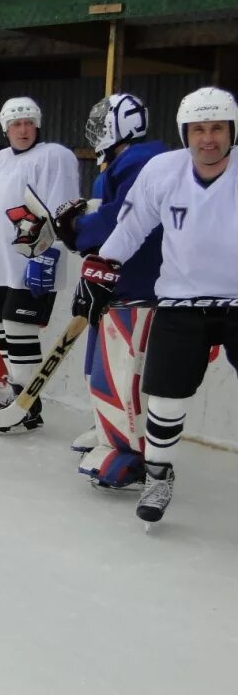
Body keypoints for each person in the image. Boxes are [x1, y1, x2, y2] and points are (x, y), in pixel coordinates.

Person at [75, 86, 238, 524]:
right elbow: (130, 228)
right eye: (199, 129)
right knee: (165, 399)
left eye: (217, 128)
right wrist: (102, 265)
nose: (208, 138)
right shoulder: (162, 171)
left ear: (232, 130)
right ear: (185, 133)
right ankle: (159, 475)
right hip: (181, 301)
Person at [48, 94, 167, 489]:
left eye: (103, 122)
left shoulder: (140, 162)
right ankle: (107, 433)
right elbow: (107, 211)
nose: (96, 130)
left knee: (118, 370)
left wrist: (79, 229)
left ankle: (127, 456)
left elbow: (121, 219)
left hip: (135, 282)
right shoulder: (120, 162)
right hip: (111, 280)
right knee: (98, 367)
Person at [0, 96, 80, 433]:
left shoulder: (55, 156)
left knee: (19, 329)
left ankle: (24, 406)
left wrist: (48, 254)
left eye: (28, 123)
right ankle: (23, 399)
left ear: (37, 125)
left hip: (33, 261)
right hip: (3, 263)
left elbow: (63, 208)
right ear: (5, 128)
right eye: (15, 124)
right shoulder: (0, 160)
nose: (23, 130)